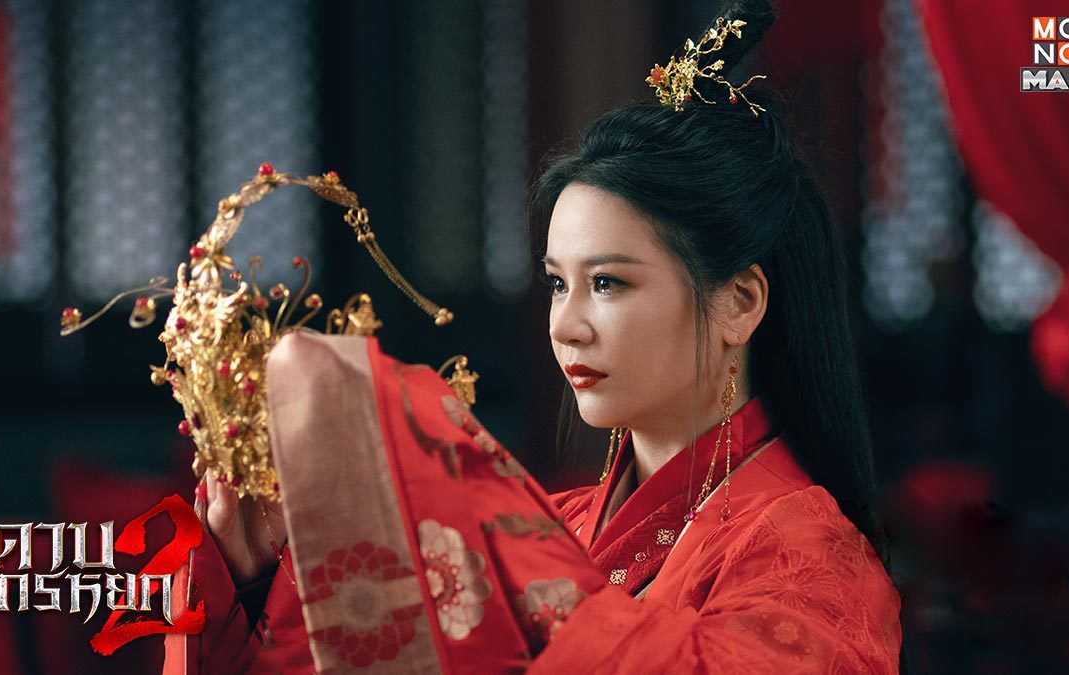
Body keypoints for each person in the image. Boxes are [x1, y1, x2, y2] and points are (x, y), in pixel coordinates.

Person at [162, 1, 902, 672]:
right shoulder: (560, 526)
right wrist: (262, 582)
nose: (566, 325)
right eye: (556, 284)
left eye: (607, 283)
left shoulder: (807, 554)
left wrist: (449, 483)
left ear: (740, 301)